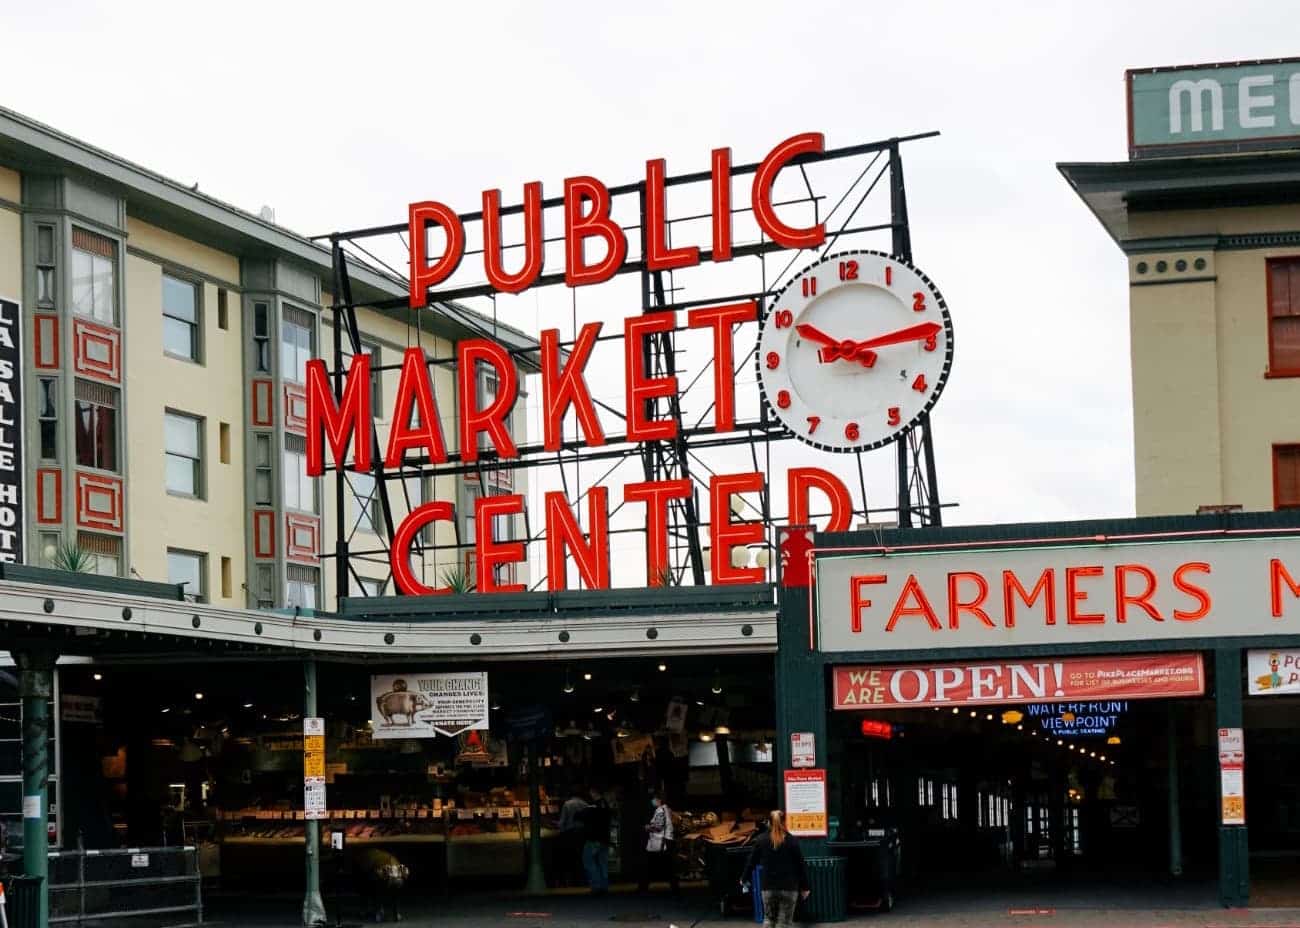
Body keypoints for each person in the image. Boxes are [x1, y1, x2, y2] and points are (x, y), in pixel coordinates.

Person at [741, 811, 810, 928]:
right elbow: (800, 865)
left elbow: (751, 862)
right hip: (789, 887)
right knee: (785, 923)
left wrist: (744, 878)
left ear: (769, 823)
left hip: (768, 886)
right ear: (785, 822)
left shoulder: (761, 840)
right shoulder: (792, 841)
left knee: (768, 920)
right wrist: (805, 887)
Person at [637, 790, 679, 895]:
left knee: (648, 864)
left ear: (659, 800)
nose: (653, 801)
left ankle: (643, 887)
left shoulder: (660, 810)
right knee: (669, 866)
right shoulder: (667, 809)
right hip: (667, 840)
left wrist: (647, 827)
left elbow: (658, 827)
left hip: (660, 840)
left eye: (654, 799)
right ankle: (674, 887)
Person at [579, 785, 612, 895]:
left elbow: (581, 816)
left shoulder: (593, 807)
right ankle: (604, 886)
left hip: (594, 838)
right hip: (605, 838)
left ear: (593, 792)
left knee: (587, 860)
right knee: (603, 862)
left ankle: (596, 885)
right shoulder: (606, 805)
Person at [557, 788, 589, 886]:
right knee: (581, 857)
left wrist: (558, 827)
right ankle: (581, 880)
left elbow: (562, 823)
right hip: (582, 834)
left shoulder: (567, 804)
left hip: (570, 834)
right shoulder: (586, 804)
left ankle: (572, 881)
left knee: (570, 858)